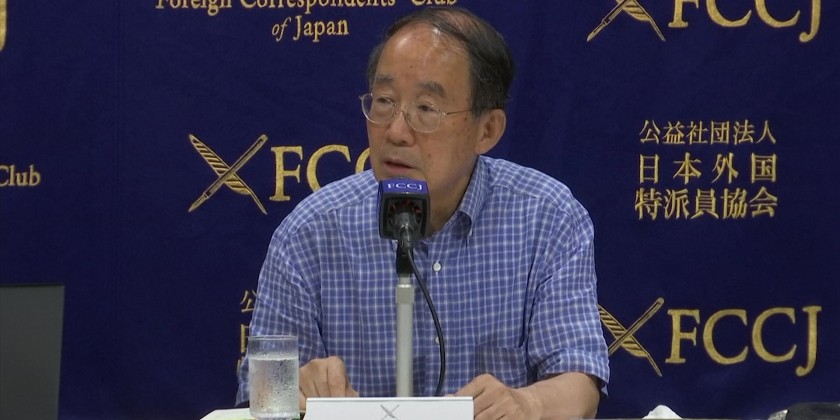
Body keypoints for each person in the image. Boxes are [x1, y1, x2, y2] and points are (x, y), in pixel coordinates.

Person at [237, 6, 609, 419]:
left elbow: (580, 383)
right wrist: (295, 389)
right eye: (384, 102)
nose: (396, 132)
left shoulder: (548, 218)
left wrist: (528, 403)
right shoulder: (309, 232)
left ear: (487, 130)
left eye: (427, 109)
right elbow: (260, 395)